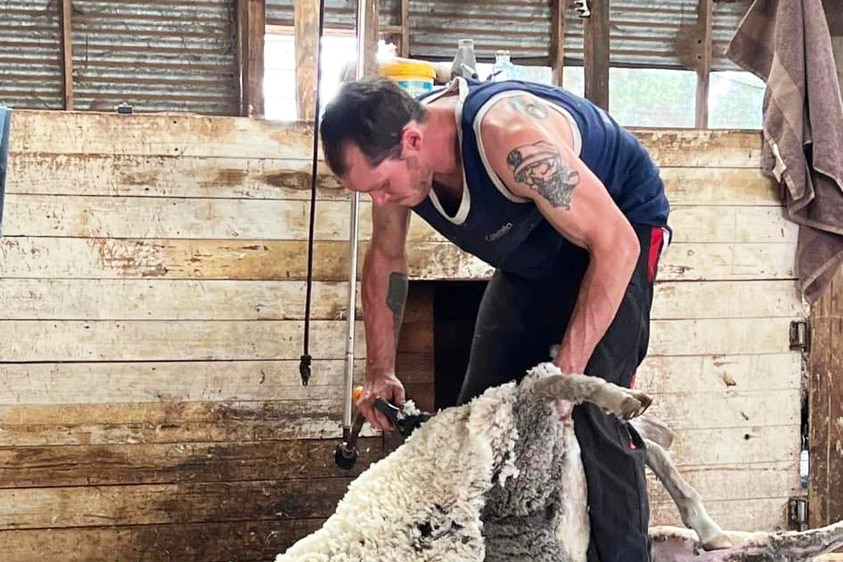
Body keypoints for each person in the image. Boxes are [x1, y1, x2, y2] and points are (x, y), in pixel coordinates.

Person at [319, 76, 670, 562]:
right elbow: (386, 258)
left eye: (379, 186)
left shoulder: (508, 137)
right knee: (477, 422)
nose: (379, 200)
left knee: (592, 411)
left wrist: (562, 381)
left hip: (620, 231)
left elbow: (615, 246)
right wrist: (380, 371)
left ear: (413, 141)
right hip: (534, 253)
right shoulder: (399, 167)